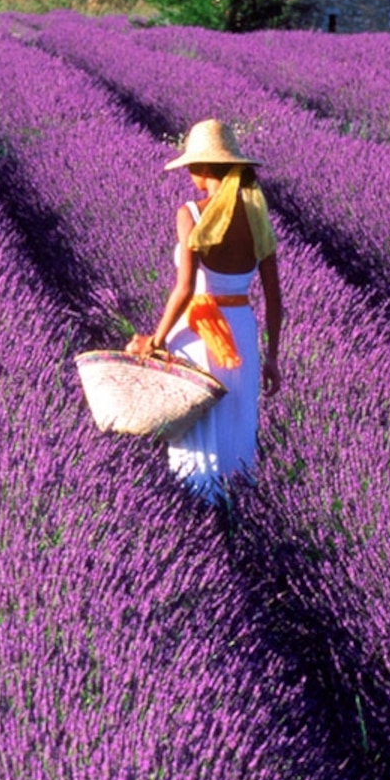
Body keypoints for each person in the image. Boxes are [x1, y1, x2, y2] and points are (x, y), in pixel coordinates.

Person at [126, 118, 282, 502]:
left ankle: (197, 510)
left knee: (195, 428)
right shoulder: (257, 217)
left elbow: (183, 289)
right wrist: (273, 358)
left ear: (208, 168)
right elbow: (276, 301)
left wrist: (155, 340)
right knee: (236, 423)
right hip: (242, 332)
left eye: (193, 164)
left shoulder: (191, 214)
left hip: (197, 332)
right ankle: (236, 511)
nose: (190, 171)